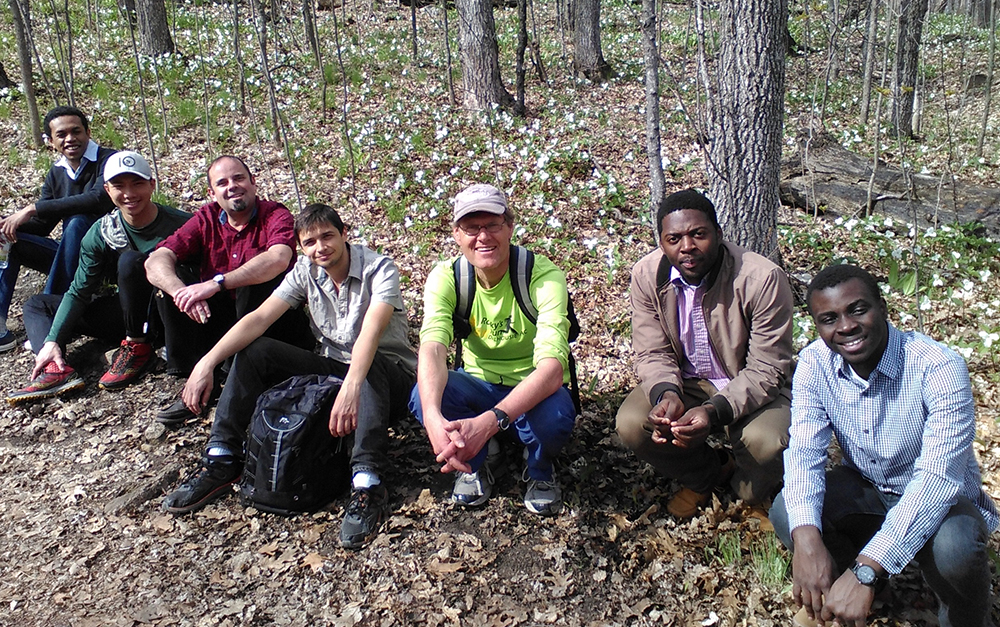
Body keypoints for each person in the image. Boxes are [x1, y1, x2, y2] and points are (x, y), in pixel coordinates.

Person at [161, 203, 416, 549]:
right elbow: (259, 318)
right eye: (310, 242)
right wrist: (206, 363)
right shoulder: (304, 271)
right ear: (301, 246)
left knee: (366, 360)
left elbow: (370, 333)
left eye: (328, 236)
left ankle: (367, 483)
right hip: (336, 371)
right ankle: (222, 458)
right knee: (256, 350)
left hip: (390, 378)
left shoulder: (379, 268)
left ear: (344, 234)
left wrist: (351, 388)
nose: (320, 247)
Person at [770, 264, 998, 627]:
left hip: (943, 503)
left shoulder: (938, 366)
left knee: (956, 548)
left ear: (883, 307)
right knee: (790, 512)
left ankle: (965, 619)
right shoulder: (815, 363)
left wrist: (867, 568)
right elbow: (803, 454)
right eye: (829, 319)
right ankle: (866, 593)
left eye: (857, 309)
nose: (845, 327)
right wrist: (807, 542)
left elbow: (937, 481)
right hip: (871, 491)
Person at [615, 188, 794, 519]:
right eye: (674, 238)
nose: (687, 247)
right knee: (631, 423)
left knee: (767, 440)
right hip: (687, 382)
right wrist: (666, 394)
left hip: (749, 385)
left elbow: (768, 369)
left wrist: (713, 412)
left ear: (718, 234)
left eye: (698, 234)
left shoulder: (761, 278)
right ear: (662, 242)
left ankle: (748, 495)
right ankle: (707, 476)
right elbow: (652, 351)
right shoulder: (647, 275)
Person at [409, 183, 576, 516]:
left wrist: (488, 422)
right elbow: (432, 348)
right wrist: (432, 418)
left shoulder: (541, 276)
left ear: (509, 227)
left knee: (557, 418)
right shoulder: (448, 278)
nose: (483, 236)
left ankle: (539, 466)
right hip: (479, 383)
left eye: (492, 225)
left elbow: (552, 368)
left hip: (535, 391)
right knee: (423, 395)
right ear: (457, 234)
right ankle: (477, 459)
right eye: (472, 227)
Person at [5, 151, 191, 405]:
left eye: (137, 183)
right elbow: (79, 291)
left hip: (173, 311)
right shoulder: (103, 231)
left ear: (152, 185)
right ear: (107, 189)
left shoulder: (183, 224)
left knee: (132, 262)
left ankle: (140, 348)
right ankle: (54, 366)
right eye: (118, 186)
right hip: (127, 311)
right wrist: (52, 340)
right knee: (39, 305)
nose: (129, 194)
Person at [145, 155, 311, 425]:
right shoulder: (206, 218)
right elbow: (156, 260)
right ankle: (195, 381)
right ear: (212, 193)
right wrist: (181, 293)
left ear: (253, 183)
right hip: (223, 319)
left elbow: (279, 258)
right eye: (222, 183)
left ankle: (234, 384)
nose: (232, 186)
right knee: (168, 286)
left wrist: (216, 282)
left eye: (239, 178)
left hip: (274, 323)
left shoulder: (275, 214)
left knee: (248, 282)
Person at [0, 106, 116, 352]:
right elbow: (42, 226)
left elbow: (97, 199)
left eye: (76, 131)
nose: (70, 139)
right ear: (50, 141)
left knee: (78, 221)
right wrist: (8, 224)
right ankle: (0, 326)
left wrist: (33, 207)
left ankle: (52, 318)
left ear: (88, 132)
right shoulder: (57, 172)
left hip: (107, 259)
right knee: (9, 240)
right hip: (72, 256)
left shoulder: (109, 160)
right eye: (61, 134)